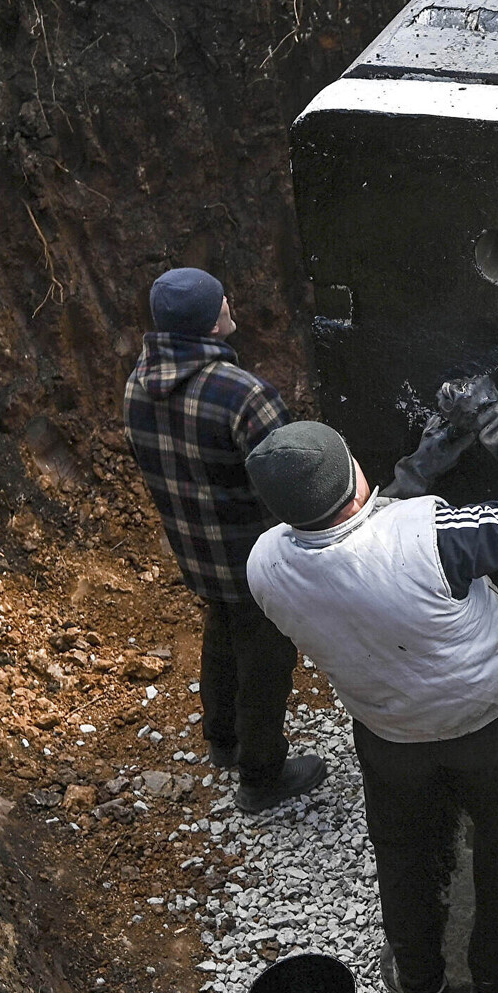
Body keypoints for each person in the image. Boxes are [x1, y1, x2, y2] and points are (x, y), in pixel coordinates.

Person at [243, 383, 498, 993]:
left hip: (390, 735)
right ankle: (491, 982)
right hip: (486, 720)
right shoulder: (434, 536)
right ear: (355, 477)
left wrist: (419, 468)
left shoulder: (264, 564)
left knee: (402, 859)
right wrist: (496, 419)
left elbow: (353, 549)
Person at [124, 267, 325, 814]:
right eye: (221, 301)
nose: (229, 302)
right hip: (256, 560)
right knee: (266, 658)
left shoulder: (137, 382)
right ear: (213, 324)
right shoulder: (243, 395)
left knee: (222, 629)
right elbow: (292, 483)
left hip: (198, 554)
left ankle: (223, 740)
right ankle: (262, 776)